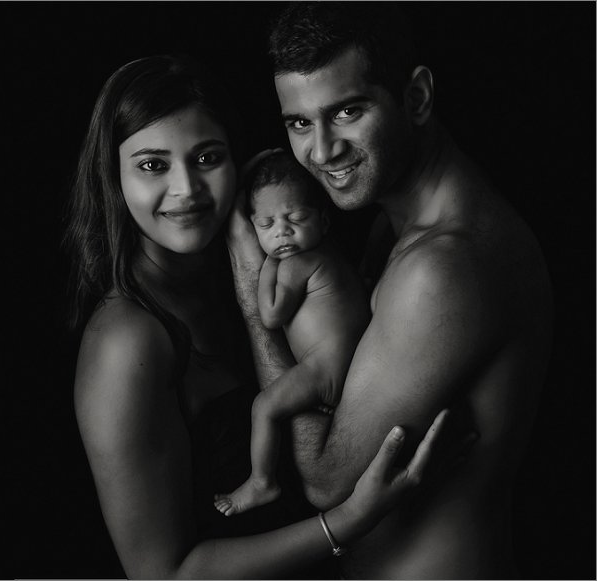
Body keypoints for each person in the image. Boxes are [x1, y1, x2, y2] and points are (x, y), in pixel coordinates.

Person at [65, 54, 452, 579]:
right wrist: (346, 521)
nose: (187, 190)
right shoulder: (127, 341)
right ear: (113, 176)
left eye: (207, 158)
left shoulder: (254, 265)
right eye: (153, 165)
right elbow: (164, 574)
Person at [226, 3, 554, 578]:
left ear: (417, 97)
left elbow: (328, 480)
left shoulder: (442, 267)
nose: (321, 151)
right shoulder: (393, 222)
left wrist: (251, 285)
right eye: (299, 123)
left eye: (347, 111)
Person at [214, 151, 369, 517]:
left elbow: (269, 315)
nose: (282, 231)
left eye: (295, 218)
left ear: (324, 220)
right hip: (352, 372)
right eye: (266, 225)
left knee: (263, 407)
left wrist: (266, 261)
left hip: (324, 372)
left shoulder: (298, 262)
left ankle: (262, 482)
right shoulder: (332, 255)